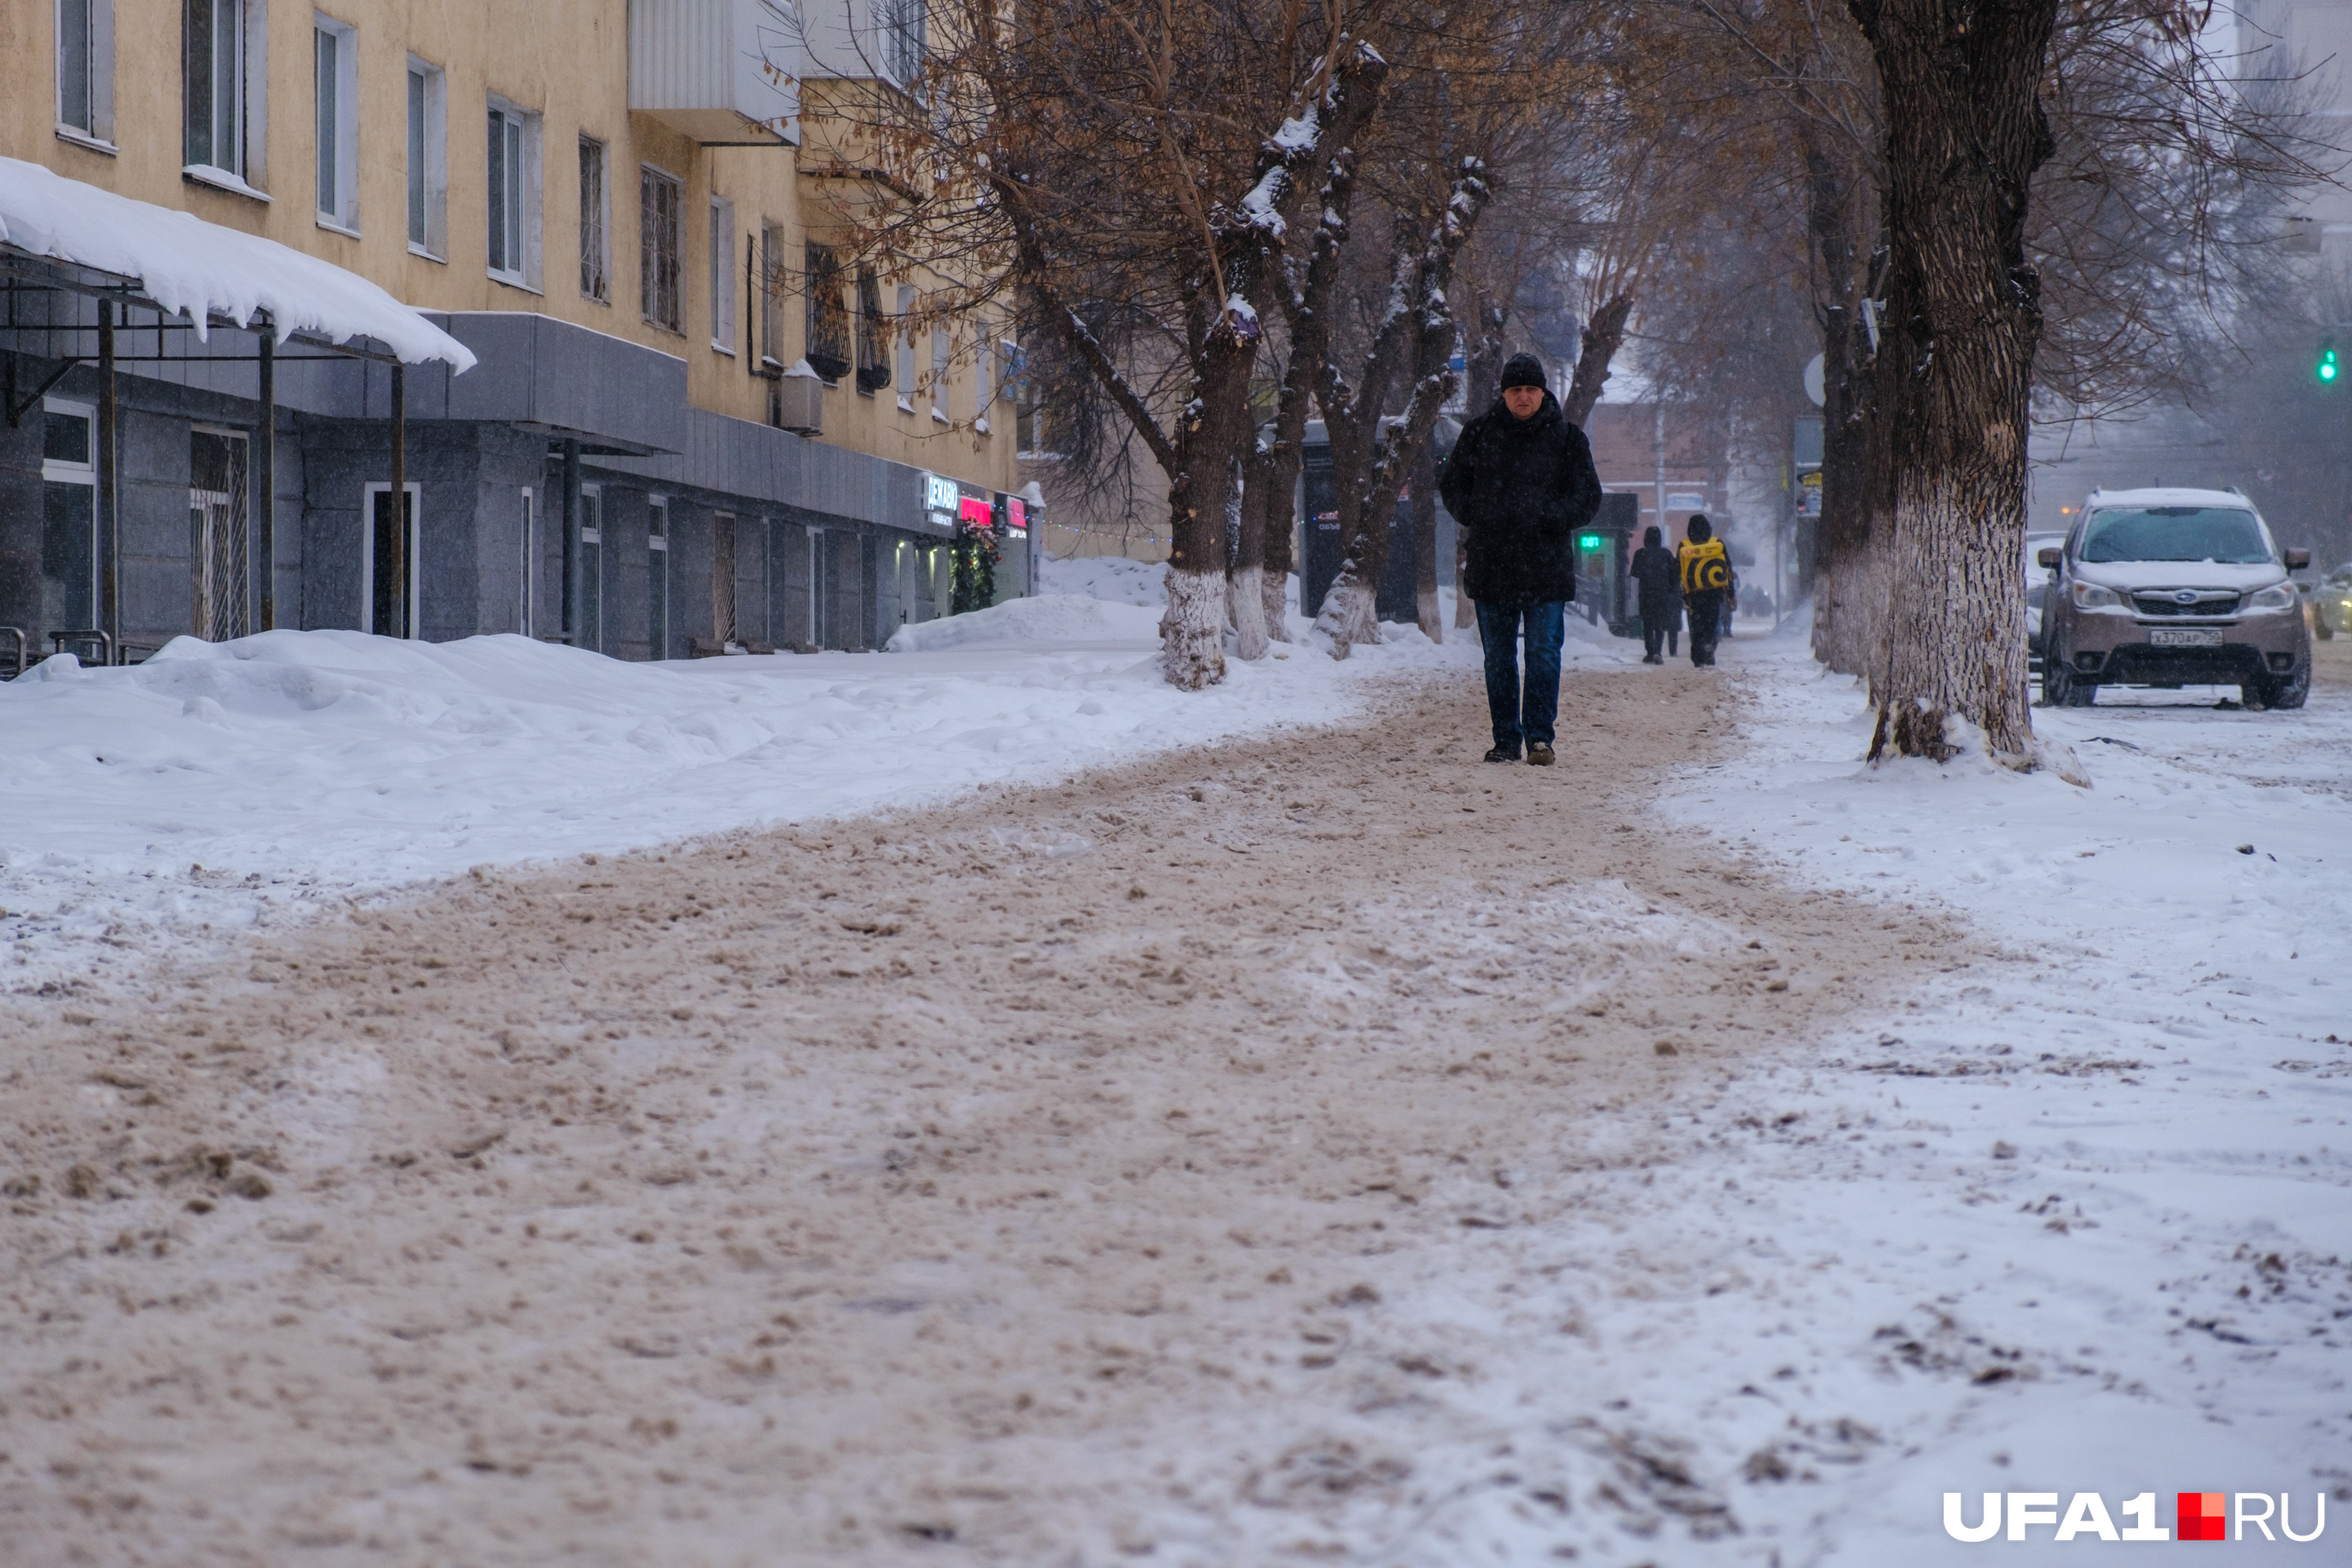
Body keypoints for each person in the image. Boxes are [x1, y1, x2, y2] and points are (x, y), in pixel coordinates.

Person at [1439, 353, 1603, 764]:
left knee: (1544, 652)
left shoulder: (1567, 439)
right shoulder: (1478, 434)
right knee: (1498, 657)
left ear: (1543, 391)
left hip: (1545, 566)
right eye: (1516, 390)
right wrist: (1476, 514)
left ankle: (1540, 738)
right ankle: (1506, 740)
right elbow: (1453, 485)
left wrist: (1552, 517)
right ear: (1504, 394)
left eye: (1531, 389)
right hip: (1492, 565)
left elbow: (1588, 497)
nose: (1524, 397)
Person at [1678, 514, 1731, 668]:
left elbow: (1679, 569)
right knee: (1712, 623)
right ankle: (1709, 647)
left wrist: (1679, 593)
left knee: (1696, 626)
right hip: (1714, 593)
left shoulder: (1685, 546)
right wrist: (1730, 592)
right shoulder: (1717, 543)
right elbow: (1727, 567)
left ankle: (1698, 655)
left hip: (1694, 595)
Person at [1628, 524, 1681, 664]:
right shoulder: (1667, 554)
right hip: (1662, 595)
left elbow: (1635, 576)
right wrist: (1671, 592)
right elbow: (1675, 578)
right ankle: (1658, 651)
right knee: (1659, 624)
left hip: (1645, 595)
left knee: (1647, 624)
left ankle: (1650, 652)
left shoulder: (1640, 554)